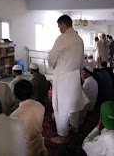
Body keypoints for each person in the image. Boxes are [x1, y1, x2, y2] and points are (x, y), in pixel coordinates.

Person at [47, 15, 88, 144]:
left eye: (59, 25)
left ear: (64, 24)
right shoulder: (79, 39)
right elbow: (82, 60)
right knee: (73, 101)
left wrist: (53, 65)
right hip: (75, 75)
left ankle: (63, 134)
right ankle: (74, 126)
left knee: (61, 105)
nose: (59, 28)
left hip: (63, 76)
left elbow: (51, 56)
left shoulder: (63, 38)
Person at [11, 80, 48, 156]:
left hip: (26, 149)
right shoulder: (40, 106)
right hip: (38, 141)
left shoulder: (15, 115)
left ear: (16, 95)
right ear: (32, 91)